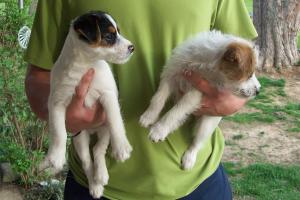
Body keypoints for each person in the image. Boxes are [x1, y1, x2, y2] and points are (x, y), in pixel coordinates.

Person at [24, 0, 257, 199]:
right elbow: (39, 77)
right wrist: (66, 115)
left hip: (198, 181)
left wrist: (233, 101)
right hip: (97, 183)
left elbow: (245, 63)